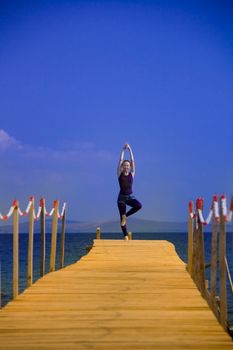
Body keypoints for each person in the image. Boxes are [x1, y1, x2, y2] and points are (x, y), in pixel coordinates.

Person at [117, 143, 142, 240]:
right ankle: (125, 236)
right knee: (122, 220)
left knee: (139, 206)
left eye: (128, 165)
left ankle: (125, 215)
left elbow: (133, 160)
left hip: (131, 197)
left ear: (130, 166)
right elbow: (120, 161)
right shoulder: (119, 174)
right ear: (122, 167)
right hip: (121, 198)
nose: (126, 166)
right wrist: (123, 150)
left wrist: (130, 149)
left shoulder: (132, 173)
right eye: (125, 165)